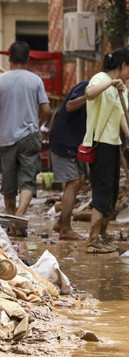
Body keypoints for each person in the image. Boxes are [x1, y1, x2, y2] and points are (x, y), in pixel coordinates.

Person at [84, 48, 129, 254]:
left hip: (113, 142)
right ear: (123, 65)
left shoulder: (122, 89)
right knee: (101, 190)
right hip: (98, 142)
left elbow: (122, 116)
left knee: (112, 191)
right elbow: (89, 94)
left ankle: (103, 235)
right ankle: (93, 238)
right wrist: (110, 83)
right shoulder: (99, 79)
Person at [0, 41, 51, 236]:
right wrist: (38, 124)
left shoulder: (1, 80)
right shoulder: (35, 80)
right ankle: (18, 220)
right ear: (28, 59)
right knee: (28, 182)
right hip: (30, 136)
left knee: (9, 185)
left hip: (5, 138)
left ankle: (13, 223)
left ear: (9, 58)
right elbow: (46, 109)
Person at [49, 80, 89, 240]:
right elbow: (70, 105)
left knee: (79, 181)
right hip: (64, 141)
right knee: (73, 182)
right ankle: (65, 228)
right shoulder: (89, 86)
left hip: (75, 142)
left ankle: (60, 222)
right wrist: (90, 95)